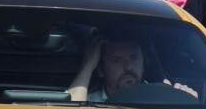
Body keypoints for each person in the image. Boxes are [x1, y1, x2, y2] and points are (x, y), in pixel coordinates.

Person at [67, 36, 195, 102]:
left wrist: (186, 101)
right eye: (116, 60)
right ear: (101, 70)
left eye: (134, 58)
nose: (128, 67)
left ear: (143, 64)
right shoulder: (86, 101)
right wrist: (88, 66)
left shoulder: (160, 99)